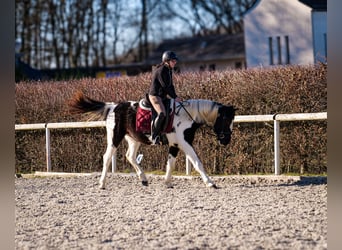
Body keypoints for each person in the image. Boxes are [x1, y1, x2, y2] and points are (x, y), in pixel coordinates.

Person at [148, 51, 182, 145]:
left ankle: (165, 133)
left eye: (175, 61)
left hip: (162, 96)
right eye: (173, 61)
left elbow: (171, 86)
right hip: (155, 96)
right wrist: (174, 97)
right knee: (162, 113)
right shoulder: (161, 70)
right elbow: (165, 87)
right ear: (166, 61)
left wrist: (176, 96)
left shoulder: (169, 70)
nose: (175, 62)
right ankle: (154, 136)